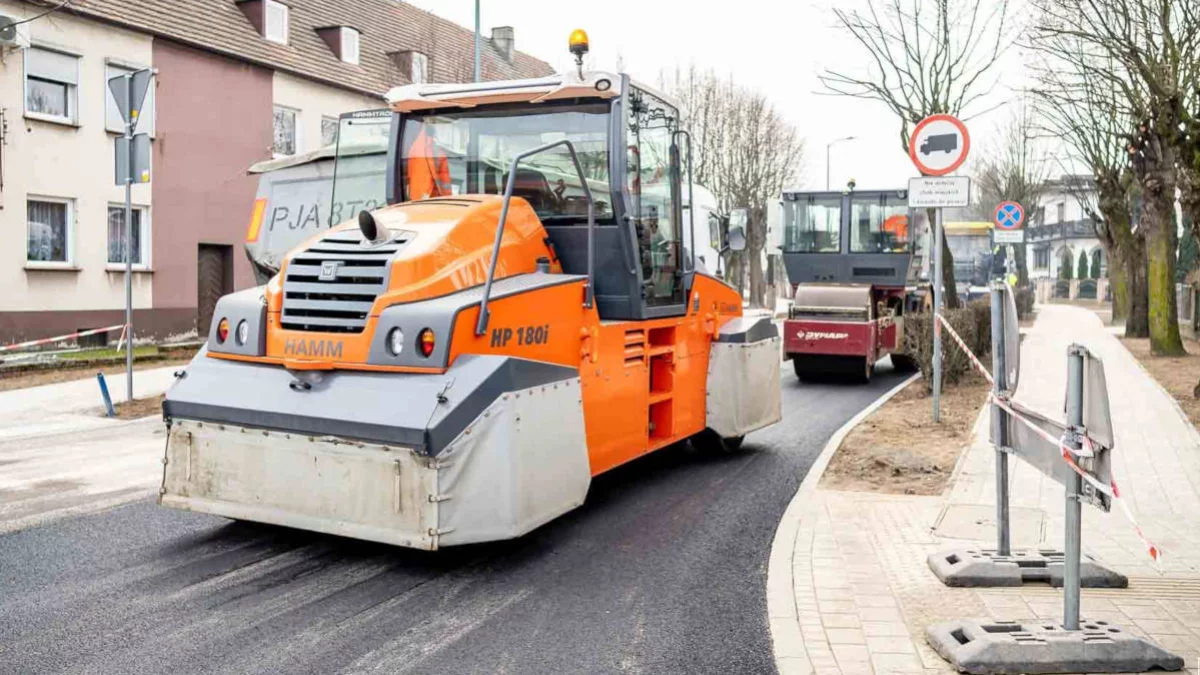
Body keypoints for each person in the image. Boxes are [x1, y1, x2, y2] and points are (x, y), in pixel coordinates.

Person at [406, 123, 451, 200]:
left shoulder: (415, 147)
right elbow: (440, 178)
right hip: (426, 197)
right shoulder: (429, 149)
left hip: (419, 196)